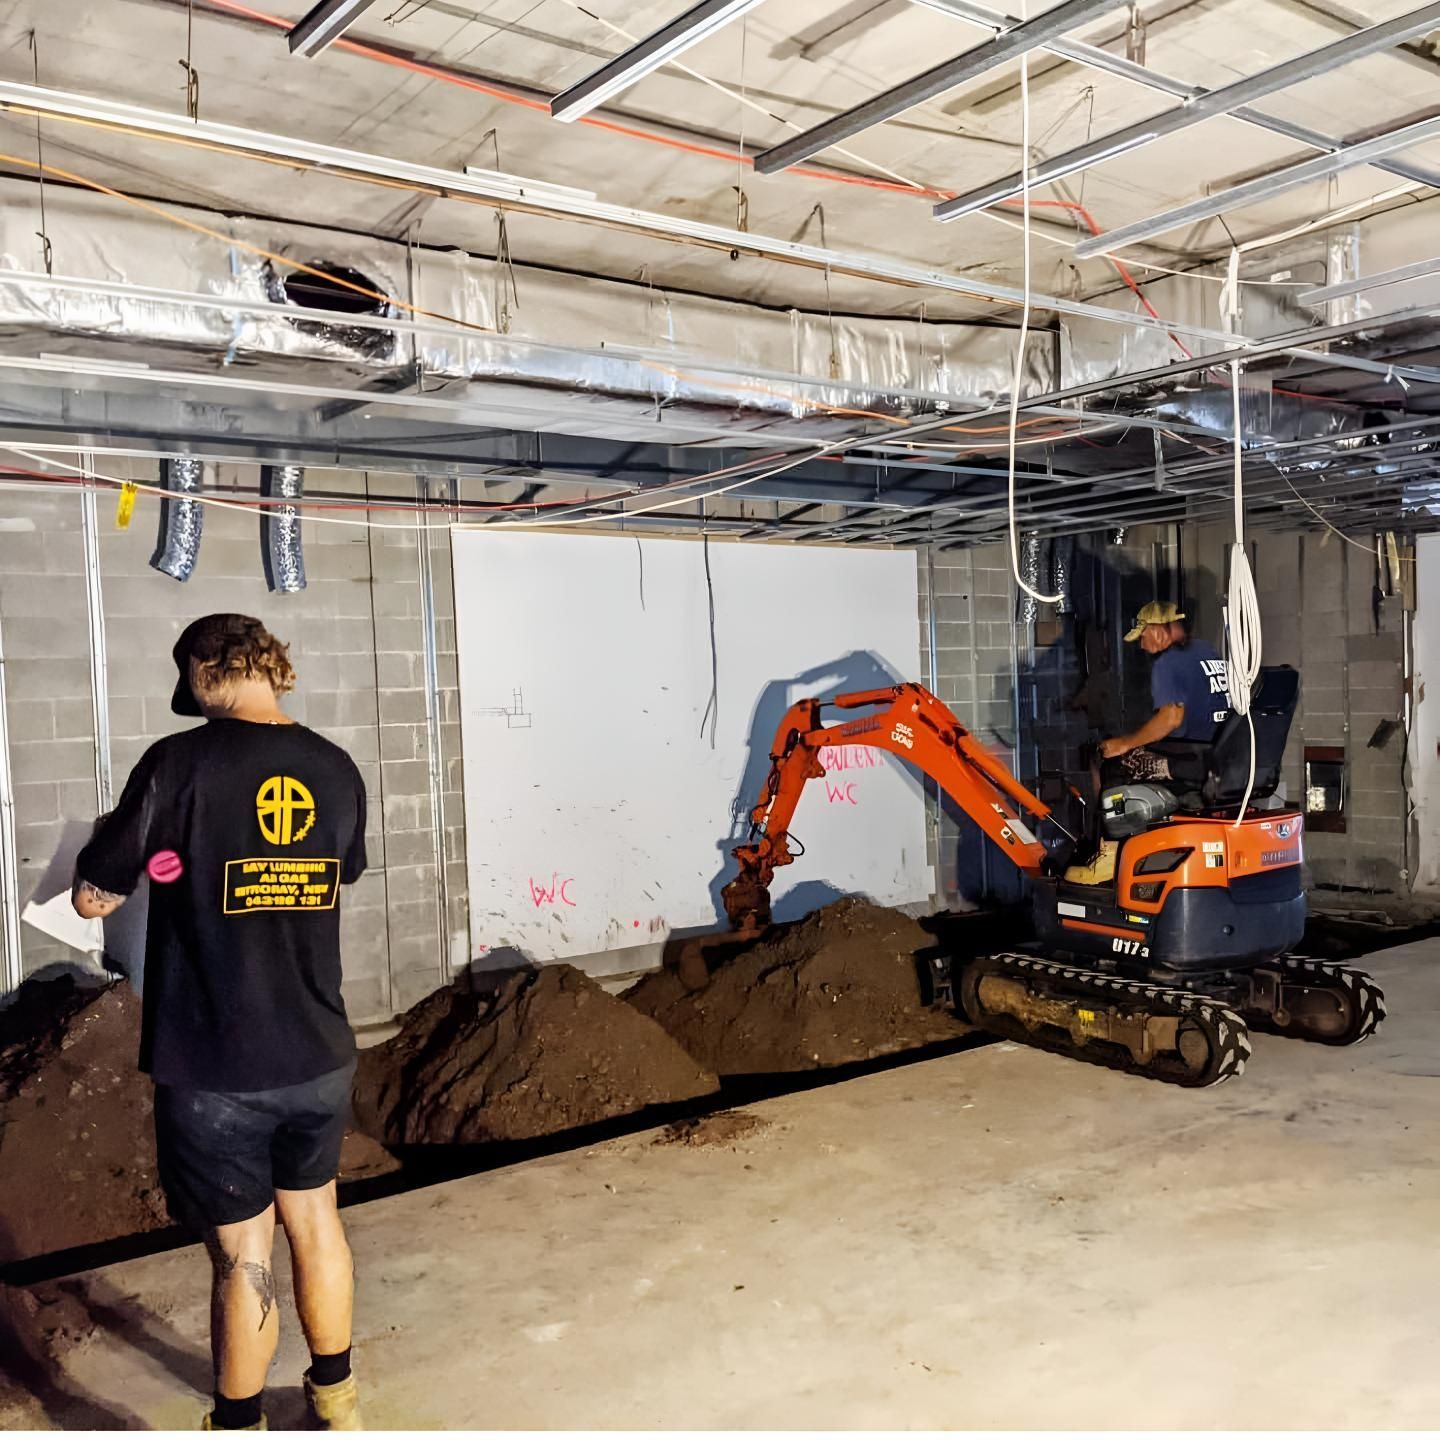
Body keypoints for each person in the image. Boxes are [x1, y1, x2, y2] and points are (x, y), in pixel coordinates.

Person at [71, 614, 368, 1431]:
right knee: (317, 1221)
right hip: (319, 1049)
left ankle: (238, 1424)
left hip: (217, 1064)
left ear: (205, 672)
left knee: (244, 1253)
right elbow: (333, 872)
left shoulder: (178, 764)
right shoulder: (337, 768)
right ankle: (338, 1403)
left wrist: (132, 870)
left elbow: (94, 897)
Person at [1065, 601, 1230, 885]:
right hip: (1215, 754)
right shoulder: (1207, 651)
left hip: (1189, 760)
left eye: (1142, 636)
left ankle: (1110, 856)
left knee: (1109, 760)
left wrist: (1125, 743)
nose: (1141, 645)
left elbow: (1171, 717)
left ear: (1157, 630)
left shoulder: (1168, 662)